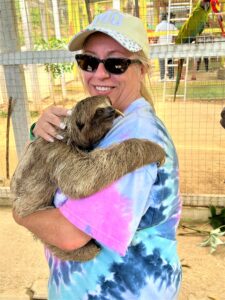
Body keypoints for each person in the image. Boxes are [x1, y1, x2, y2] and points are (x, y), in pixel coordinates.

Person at [13, 9, 182, 300]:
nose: (99, 73)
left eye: (116, 63)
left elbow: (71, 235)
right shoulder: (117, 119)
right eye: (88, 61)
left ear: (142, 69)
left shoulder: (138, 133)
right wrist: (39, 129)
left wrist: (20, 214)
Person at [155, 12, 178, 80]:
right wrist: (173, 39)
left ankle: (162, 77)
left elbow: (156, 37)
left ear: (161, 18)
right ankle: (171, 77)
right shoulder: (171, 26)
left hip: (161, 46)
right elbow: (176, 34)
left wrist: (157, 42)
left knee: (162, 62)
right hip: (169, 45)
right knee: (170, 61)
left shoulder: (158, 26)